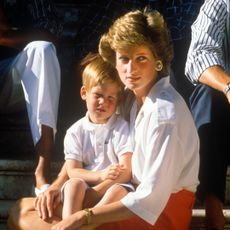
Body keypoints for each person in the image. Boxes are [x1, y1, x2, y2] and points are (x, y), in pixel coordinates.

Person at [7, 7, 200, 230]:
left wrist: (84, 217)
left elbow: (150, 199)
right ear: (114, 60)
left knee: (26, 221)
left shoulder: (165, 113)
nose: (131, 69)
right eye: (124, 58)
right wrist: (57, 184)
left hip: (156, 215)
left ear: (158, 60)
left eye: (141, 58)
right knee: (23, 208)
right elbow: (78, 152)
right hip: (122, 199)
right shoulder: (129, 97)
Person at [60, 53, 133, 220]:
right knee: (73, 185)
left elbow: (126, 170)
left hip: (113, 185)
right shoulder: (75, 131)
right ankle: (70, 221)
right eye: (98, 95)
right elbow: (72, 170)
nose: (103, 102)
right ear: (84, 93)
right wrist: (99, 176)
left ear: (118, 99)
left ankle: (86, 224)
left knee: (119, 191)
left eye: (110, 98)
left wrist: (104, 184)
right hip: (87, 186)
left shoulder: (121, 127)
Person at [0, 0, 62, 195]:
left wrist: (4, 37)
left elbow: (51, 34)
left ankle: (43, 166)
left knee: (42, 49)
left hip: (12, 78)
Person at [185, 0, 230, 229]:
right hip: (226, 112)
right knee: (206, 97)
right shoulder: (220, 3)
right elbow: (198, 55)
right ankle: (213, 211)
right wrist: (229, 87)